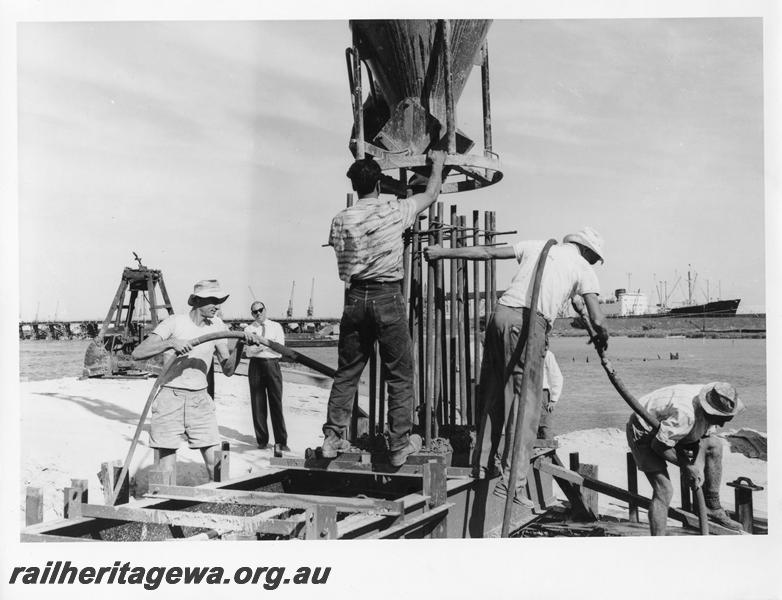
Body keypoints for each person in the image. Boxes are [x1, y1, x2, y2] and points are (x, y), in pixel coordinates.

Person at [424, 227, 608, 507]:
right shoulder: (583, 268)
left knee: (494, 394)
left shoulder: (540, 246)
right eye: (594, 259)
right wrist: (602, 335)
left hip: (499, 316)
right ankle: (514, 484)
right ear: (588, 253)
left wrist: (441, 252)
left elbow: (487, 252)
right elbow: (597, 315)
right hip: (528, 325)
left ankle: (482, 464)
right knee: (527, 406)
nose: (593, 264)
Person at [321, 149, 448, 467]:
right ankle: (398, 444)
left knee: (347, 373)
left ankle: (332, 436)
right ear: (379, 184)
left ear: (355, 187)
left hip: (354, 298)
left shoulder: (340, 219)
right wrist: (439, 163)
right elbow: (431, 193)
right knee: (400, 376)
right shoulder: (396, 210)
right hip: (387, 296)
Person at [132, 279, 259, 480]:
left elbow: (227, 369)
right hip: (170, 398)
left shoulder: (217, 325)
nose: (218, 306)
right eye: (213, 301)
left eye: (219, 301)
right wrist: (171, 343)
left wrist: (241, 346)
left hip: (200, 400)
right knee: (166, 469)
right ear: (198, 301)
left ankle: (222, 503)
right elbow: (138, 353)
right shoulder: (174, 322)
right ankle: (165, 506)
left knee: (216, 463)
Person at [626, 382, 745, 535]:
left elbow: (705, 439)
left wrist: (697, 467)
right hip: (644, 429)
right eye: (720, 419)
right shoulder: (686, 415)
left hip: (669, 426)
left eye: (727, 419)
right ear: (709, 411)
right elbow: (658, 445)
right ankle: (657, 542)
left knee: (714, 444)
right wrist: (687, 467)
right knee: (664, 490)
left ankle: (712, 507)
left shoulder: (713, 396)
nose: (722, 424)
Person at [243, 301, 289, 455]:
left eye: (260, 310)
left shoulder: (276, 327)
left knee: (276, 402)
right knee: (258, 403)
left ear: (265, 310)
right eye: (254, 312)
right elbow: (248, 353)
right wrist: (266, 346)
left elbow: (280, 351)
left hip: (272, 365)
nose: (258, 314)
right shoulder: (249, 329)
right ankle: (262, 440)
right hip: (255, 366)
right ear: (252, 314)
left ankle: (281, 442)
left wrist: (260, 346)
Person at [536, 350, 563, 440]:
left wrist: (554, 399)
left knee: (544, 426)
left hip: (541, 392)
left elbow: (556, 375)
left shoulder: (546, 353)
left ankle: (549, 451)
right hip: (524, 392)